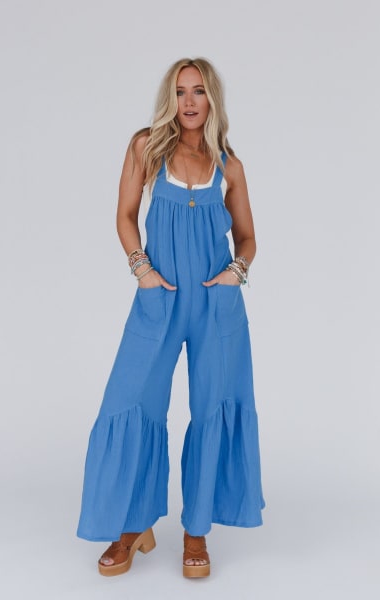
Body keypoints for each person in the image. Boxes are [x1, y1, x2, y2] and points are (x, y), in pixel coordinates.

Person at [76, 57, 265, 579]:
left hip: (215, 305)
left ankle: (196, 530)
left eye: (198, 91)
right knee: (131, 402)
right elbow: (125, 216)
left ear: (212, 99)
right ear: (170, 99)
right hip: (158, 299)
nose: (188, 101)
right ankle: (131, 526)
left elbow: (249, 237)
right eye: (180, 91)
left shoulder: (229, 166)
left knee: (211, 410)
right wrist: (141, 269)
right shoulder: (147, 147)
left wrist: (236, 273)